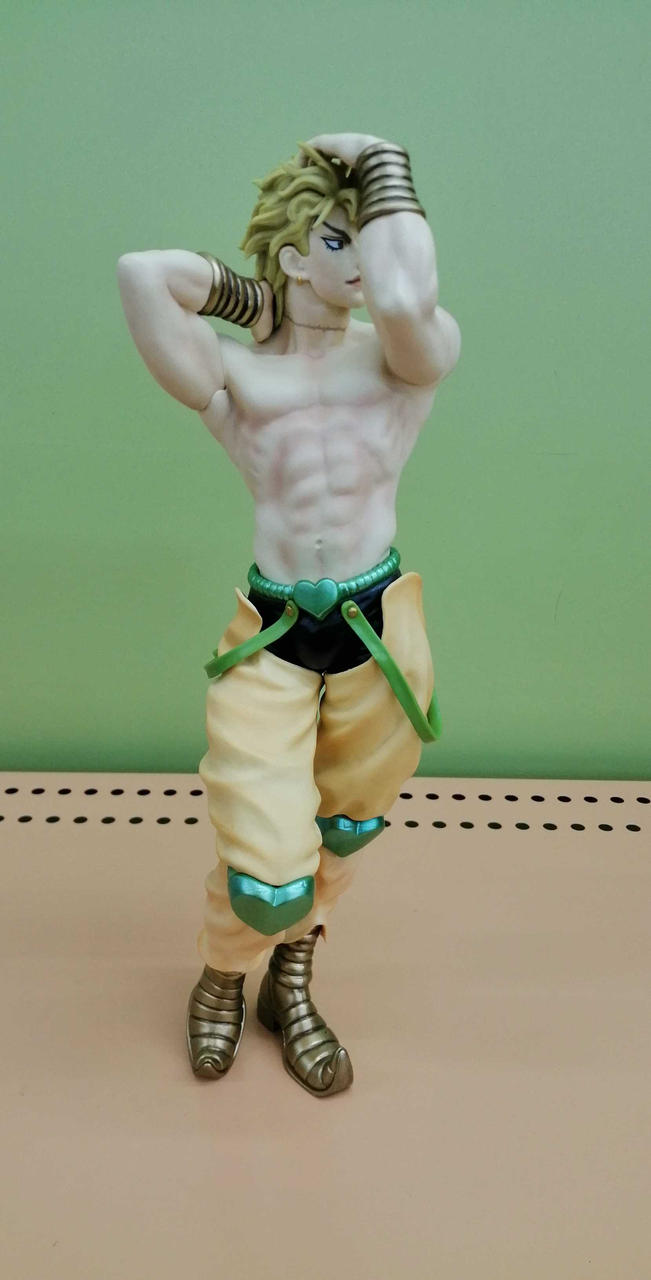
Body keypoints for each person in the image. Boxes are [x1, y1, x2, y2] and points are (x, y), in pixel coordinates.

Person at [117, 132, 460, 1097]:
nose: (362, 262)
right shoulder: (240, 376)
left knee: (341, 830)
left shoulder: (407, 356)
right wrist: (258, 301)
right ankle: (222, 974)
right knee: (265, 856)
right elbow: (143, 274)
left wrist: (382, 162)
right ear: (295, 257)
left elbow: (402, 297)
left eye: (367, 237)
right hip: (270, 633)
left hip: (375, 630)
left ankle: (291, 982)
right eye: (334, 241)